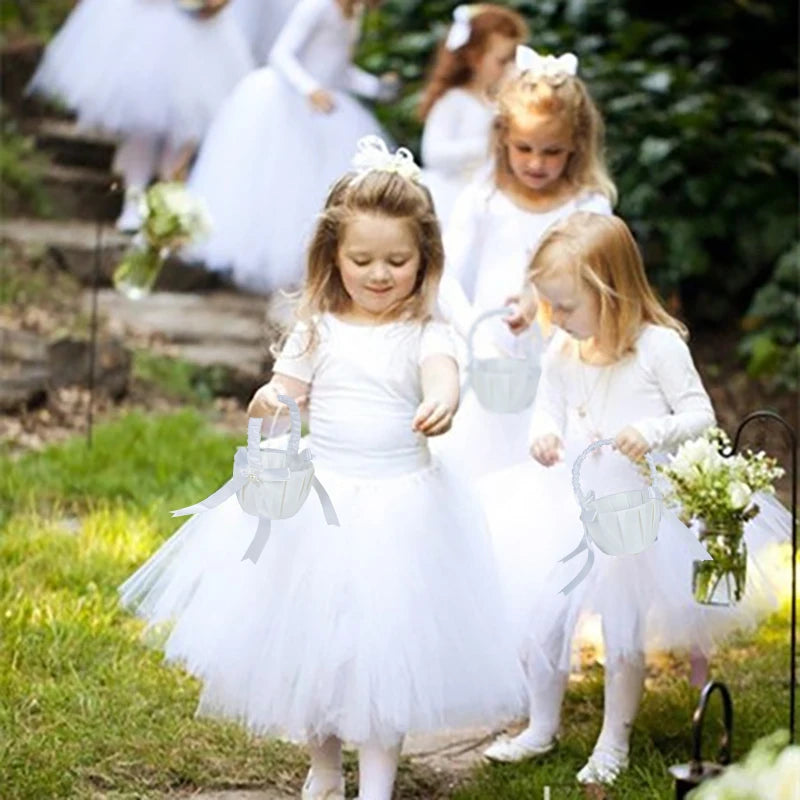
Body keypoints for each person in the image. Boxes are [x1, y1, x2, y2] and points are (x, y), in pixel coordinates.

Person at [120, 137, 522, 800]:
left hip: (403, 503)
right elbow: (284, 400)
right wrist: (271, 403)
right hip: (323, 500)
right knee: (316, 642)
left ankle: (378, 784)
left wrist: (442, 401)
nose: (379, 274)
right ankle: (326, 763)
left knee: (385, 651)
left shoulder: (428, 328)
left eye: (398, 260)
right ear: (333, 256)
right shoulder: (316, 328)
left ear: (425, 259)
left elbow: (443, 376)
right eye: (361, 259)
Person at [480, 212, 717, 785]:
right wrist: (543, 432)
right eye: (550, 307)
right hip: (568, 500)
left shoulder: (658, 347)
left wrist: (653, 432)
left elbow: (701, 416)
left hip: (634, 511)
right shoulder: (564, 347)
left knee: (622, 624)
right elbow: (549, 402)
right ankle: (540, 723)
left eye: (565, 306)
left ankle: (615, 738)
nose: (553, 319)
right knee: (542, 611)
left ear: (611, 293)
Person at [434, 45, 616, 480]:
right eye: (524, 148)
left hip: (564, 367)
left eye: (552, 151)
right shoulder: (485, 198)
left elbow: (599, 285)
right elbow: (445, 276)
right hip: (489, 362)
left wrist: (544, 303)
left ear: (576, 144)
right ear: (502, 139)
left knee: (551, 474)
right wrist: (474, 335)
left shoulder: (587, 205)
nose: (536, 163)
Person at [186, 0, 397, 294]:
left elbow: (340, 69)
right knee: (283, 186)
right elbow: (281, 55)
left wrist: (376, 88)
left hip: (326, 107)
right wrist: (309, 88)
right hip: (289, 103)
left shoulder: (353, 13)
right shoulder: (318, 6)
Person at [27, 0, 253, 232]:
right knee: (142, 125)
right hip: (148, 24)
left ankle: (168, 203)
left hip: (201, 30)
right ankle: (133, 200)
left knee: (187, 127)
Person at [418, 3, 528, 225]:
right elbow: (432, 153)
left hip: (492, 196)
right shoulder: (454, 101)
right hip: (453, 197)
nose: (510, 67)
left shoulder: (502, 101)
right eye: (502, 60)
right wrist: (487, 146)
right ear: (474, 57)